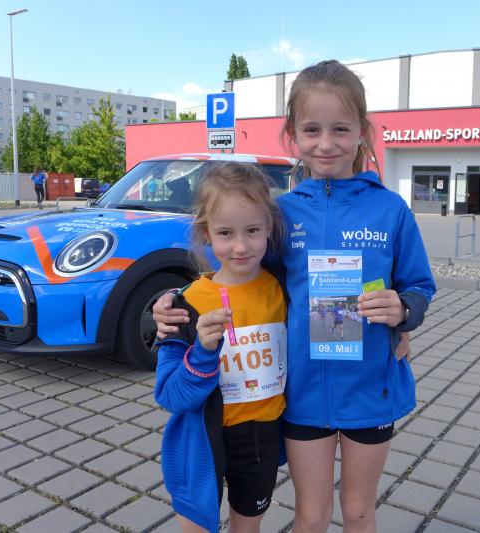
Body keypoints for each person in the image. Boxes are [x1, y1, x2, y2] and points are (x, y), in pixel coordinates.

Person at [154, 59, 435, 533]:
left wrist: (404, 311)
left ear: (362, 132)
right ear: (293, 134)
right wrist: (173, 301)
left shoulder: (390, 209)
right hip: (302, 393)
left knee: (359, 511)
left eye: (341, 129)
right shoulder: (281, 213)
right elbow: (239, 272)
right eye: (312, 130)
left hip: (371, 390)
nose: (326, 143)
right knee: (312, 514)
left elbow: (419, 286)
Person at [154, 162, 287, 533]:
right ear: (206, 234)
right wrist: (202, 352)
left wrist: (399, 328)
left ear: (269, 227)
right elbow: (169, 395)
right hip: (199, 441)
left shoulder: (282, 289)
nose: (241, 246)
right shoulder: (185, 305)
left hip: (261, 437)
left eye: (252, 230)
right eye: (226, 233)